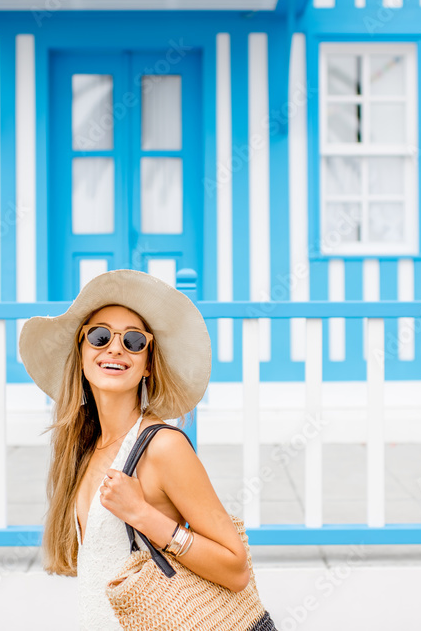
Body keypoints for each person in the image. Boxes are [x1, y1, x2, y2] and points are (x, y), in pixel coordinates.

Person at [18, 269, 250, 629]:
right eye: (99, 336)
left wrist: (143, 514)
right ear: (81, 353)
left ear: (147, 364)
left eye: (134, 341)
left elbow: (236, 569)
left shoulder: (163, 446)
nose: (114, 347)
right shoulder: (84, 445)